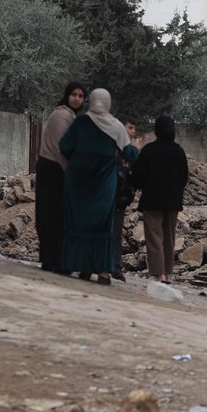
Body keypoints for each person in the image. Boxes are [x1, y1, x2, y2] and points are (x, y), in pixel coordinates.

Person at [59, 88, 139, 285]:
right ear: (108, 103)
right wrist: (137, 151)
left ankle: (79, 265)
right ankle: (103, 272)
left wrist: (80, 159)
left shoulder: (80, 123)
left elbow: (64, 147)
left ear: (90, 101)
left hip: (77, 181)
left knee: (78, 222)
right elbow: (129, 154)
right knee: (101, 226)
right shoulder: (116, 126)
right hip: (103, 183)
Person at [130, 115, 188, 285]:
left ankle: (159, 275)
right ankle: (169, 275)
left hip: (152, 201)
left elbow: (138, 176)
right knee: (169, 239)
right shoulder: (179, 151)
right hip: (172, 203)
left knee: (154, 238)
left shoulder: (149, 150)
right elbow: (184, 178)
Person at [36, 80, 87, 272]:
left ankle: (54, 259)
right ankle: (50, 260)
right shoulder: (62, 115)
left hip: (56, 169)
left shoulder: (70, 116)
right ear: (67, 95)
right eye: (74, 94)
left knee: (55, 215)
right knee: (50, 215)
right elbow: (62, 150)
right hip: (53, 169)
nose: (77, 99)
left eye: (81, 96)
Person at [111, 115, 138, 282]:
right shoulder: (113, 150)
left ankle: (115, 267)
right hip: (107, 198)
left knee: (116, 234)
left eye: (134, 129)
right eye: (130, 128)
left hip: (121, 201)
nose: (133, 132)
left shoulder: (132, 153)